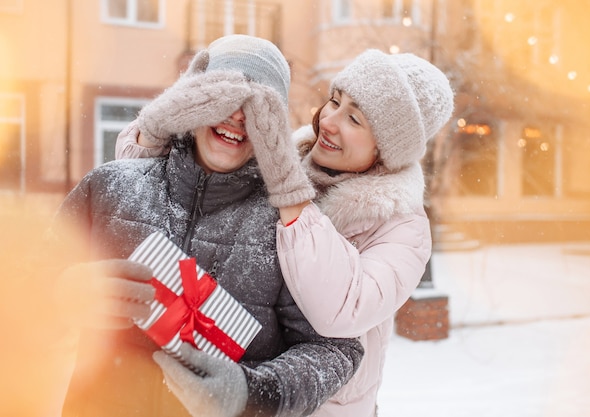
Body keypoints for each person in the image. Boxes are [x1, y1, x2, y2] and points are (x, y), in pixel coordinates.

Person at [118, 48, 454, 416]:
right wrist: (157, 128)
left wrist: (289, 192)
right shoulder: (281, 158)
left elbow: (340, 312)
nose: (328, 121)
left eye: (354, 119)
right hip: (227, 387)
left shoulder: (403, 228)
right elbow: (160, 195)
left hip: (319, 404)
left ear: (386, 151)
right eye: (335, 102)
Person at [49, 34, 364, 417]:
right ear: (192, 99)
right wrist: (62, 293)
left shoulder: (289, 231)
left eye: (257, 107)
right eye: (223, 96)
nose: (236, 116)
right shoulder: (108, 188)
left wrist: (252, 393)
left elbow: (336, 349)